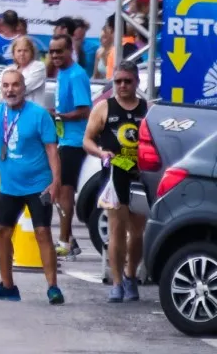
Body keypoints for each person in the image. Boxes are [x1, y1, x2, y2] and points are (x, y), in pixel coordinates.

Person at [0, 68, 63, 305]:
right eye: (6, 86)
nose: (10, 90)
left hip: (38, 185)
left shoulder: (39, 115)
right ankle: (7, 286)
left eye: (15, 85)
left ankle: (53, 287)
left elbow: (51, 150)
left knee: (42, 232)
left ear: (24, 88)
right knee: (1, 232)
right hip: (9, 186)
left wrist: (55, 182)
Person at [82, 60, 147, 302]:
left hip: (139, 177)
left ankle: (131, 275)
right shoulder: (103, 108)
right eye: (118, 81)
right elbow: (86, 140)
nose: (122, 86)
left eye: (127, 81)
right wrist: (101, 153)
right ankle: (117, 281)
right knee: (117, 231)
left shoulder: (146, 109)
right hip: (113, 176)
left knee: (138, 232)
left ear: (136, 83)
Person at [49, 33, 92, 258]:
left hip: (75, 142)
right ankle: (70, 238)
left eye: (59, 51)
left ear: (70, 51)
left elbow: (85, 110)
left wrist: (58, 116)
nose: (55, 55)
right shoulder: (62, 73)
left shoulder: (76, 75)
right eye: (52, 51)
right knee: (58, 191)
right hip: (64, 139)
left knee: (65, 191)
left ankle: (64, 241)